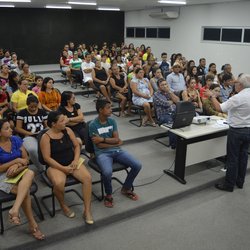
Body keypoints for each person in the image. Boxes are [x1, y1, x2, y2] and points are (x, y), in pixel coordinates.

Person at [40, 111, 94, 224]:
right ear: (54, 124)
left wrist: (75, 160)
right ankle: (63, 205)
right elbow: (47, 158)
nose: (66, 121)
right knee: (59, 183)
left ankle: (87, 211)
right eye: (62, 121)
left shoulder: (68, 130)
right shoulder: (45, 137)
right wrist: (63, 169)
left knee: (87, 178)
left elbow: (77, 146)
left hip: (72, 162)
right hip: (56, 166)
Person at [89, 99, 142, 208]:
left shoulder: (112, 121)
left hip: (117, 151)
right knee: (107, 172)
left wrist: (103, 139)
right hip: (102, 153)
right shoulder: (93, 125)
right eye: (108, 108)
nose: (111, 109)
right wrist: (114, 143)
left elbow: (116, 139)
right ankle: (108, 195)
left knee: (137, 165)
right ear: (100, 110)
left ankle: (126, 188)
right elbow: (99, 146)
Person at [0, 119, 45, 240]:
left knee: (30, 172)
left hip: (19, 171)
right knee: (25, 192)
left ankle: (15, 209)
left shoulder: (15, 139)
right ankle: (32, 224)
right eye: (7, 128)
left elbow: (26, 160)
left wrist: (18, 165)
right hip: (2, 176)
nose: (11, 130)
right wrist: (15, 161)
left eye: (10, 127)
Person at [206, 74, 250, 192]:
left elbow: (220, 108)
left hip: (236, 131)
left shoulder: (237, 98)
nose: (233, 85)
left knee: (232, 158)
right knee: (243, 157)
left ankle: (229, 185)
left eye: (236, 83)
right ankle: (240, 182)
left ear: (240, 85)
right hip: (248, 130)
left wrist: (211, 96)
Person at [15, 95, 48, 173]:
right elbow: (18, 128)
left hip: (42, 134)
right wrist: (30, 133)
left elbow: (47, 126)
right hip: (28, 136)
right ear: (27, 105)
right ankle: (41, 169)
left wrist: (44, 133)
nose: (33, 108)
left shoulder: (42, 112)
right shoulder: (22, 113)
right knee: (32, 149)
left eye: (35, 107)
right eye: (31, 107)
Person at [153, 78, 179, 148]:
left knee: (183, 120)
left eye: (165, 84)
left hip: (174, 113)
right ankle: (174, 145)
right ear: (158, 87)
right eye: (162, 85)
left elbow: (177, 101)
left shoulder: (170, 92)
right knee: (171, 123)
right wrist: (171, 101)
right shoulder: (156, 94)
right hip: (163, 115)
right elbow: (165, 104)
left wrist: (169, 92)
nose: (165, 86)